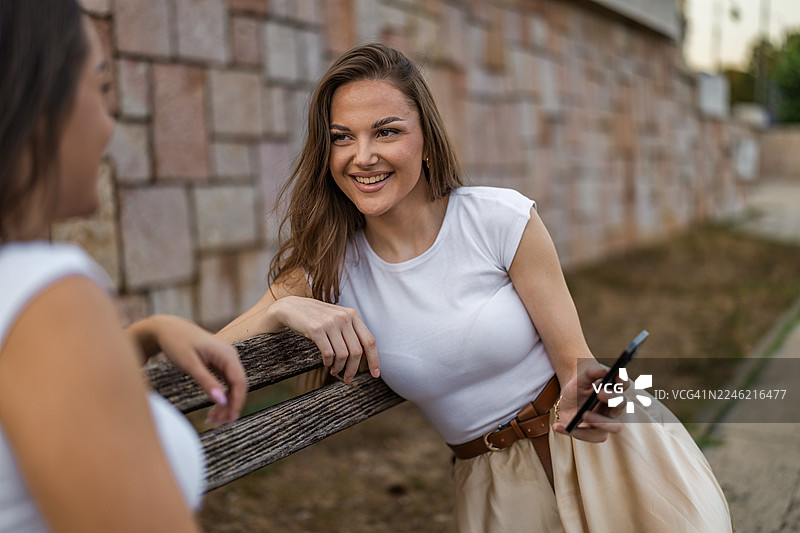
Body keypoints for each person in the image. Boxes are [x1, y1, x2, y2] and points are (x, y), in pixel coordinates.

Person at [218, 43, 732, 531]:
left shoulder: (498, 219)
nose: (363, 156)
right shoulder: (328, 268)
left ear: (425, 143)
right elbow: (211, 352)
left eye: (387, 132)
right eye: (342, 137)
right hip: (495, 491)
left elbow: (577, 364)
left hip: (604, 456)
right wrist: (283, 310)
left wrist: (596, 395)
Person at [0, 2, 247, 532]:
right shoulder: (46, 297)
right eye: (103, 87)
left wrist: (146, 334)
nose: (110, 122)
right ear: (38, 99)